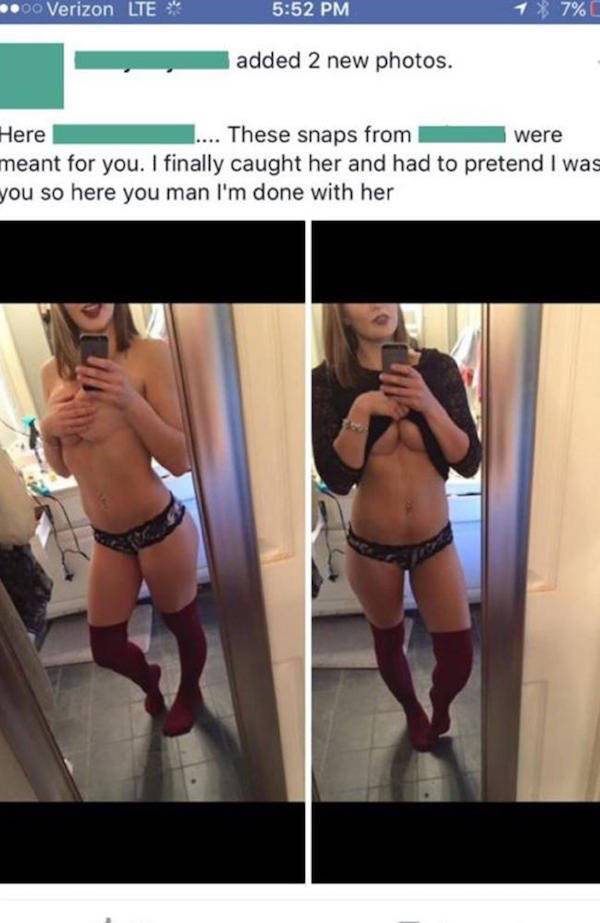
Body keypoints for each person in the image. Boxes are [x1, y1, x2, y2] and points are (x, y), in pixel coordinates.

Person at [312, 304, 481, 751]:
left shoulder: (438, 369)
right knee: (388, 642)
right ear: (341, 315)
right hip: (372, 548)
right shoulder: (327, 382)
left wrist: (427, 402)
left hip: (435, 543)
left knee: (459, 657)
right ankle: (412, 711)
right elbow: (337, 477)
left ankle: (440, 704)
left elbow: (469, 460)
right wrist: (363, 409)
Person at [40, 303, 206, 737]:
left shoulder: (151, 355)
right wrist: (49, 430)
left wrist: (129, 401)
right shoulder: (51, 373)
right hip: (108, 538)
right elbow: (62, 469)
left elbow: (182, 458)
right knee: (106, 647)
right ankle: (150, 680)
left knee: (183, 626)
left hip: (160, 527)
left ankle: (190, 692)